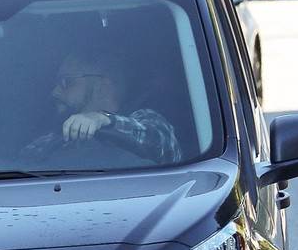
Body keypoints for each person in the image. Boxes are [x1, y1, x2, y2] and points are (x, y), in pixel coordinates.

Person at [22, 49, 181, 165]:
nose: (55, 91)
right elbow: (23, 166)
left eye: (66, 82)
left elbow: (160, 143)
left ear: (101, 85)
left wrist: (104, 120)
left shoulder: (146, 119)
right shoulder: (50, 139)